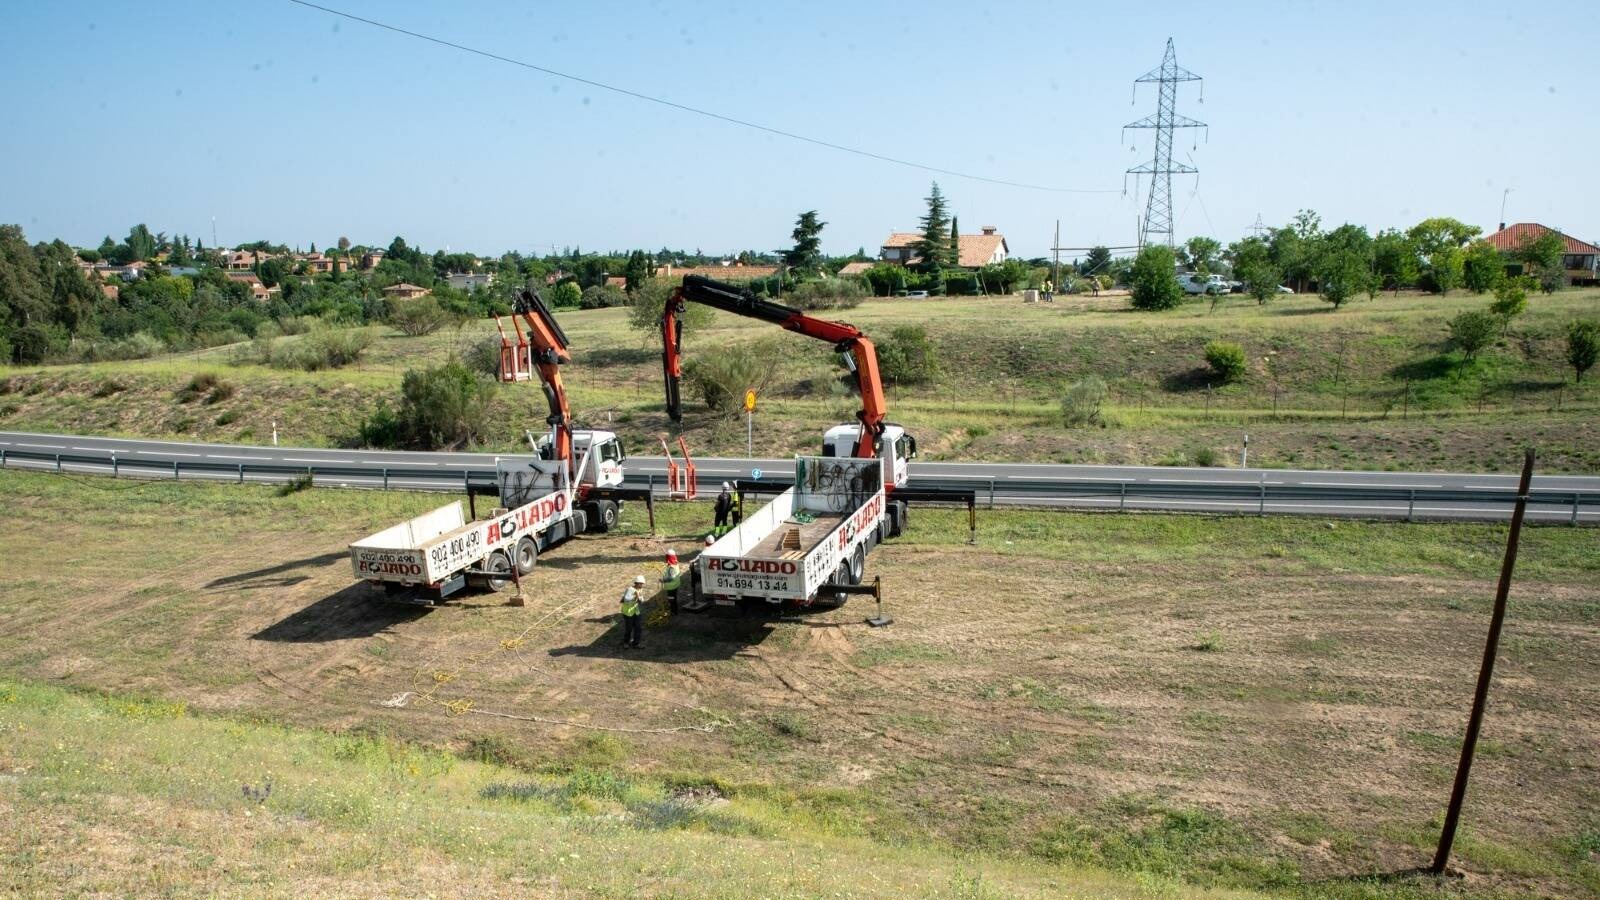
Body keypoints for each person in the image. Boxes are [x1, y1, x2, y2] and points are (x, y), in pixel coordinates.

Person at [619, 575, 645, 649]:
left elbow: (642, 600)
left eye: (642, 584)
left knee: (638, 628)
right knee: (629, 628)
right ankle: (626, 642)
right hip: (628, 613)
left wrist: (639, 598)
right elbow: (626, 600)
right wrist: (635, 597)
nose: (642, 585)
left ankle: (636, 643)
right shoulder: (630, 590)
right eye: (641, 583)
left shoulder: (640, 589)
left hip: (636, 612)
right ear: (637, 583)